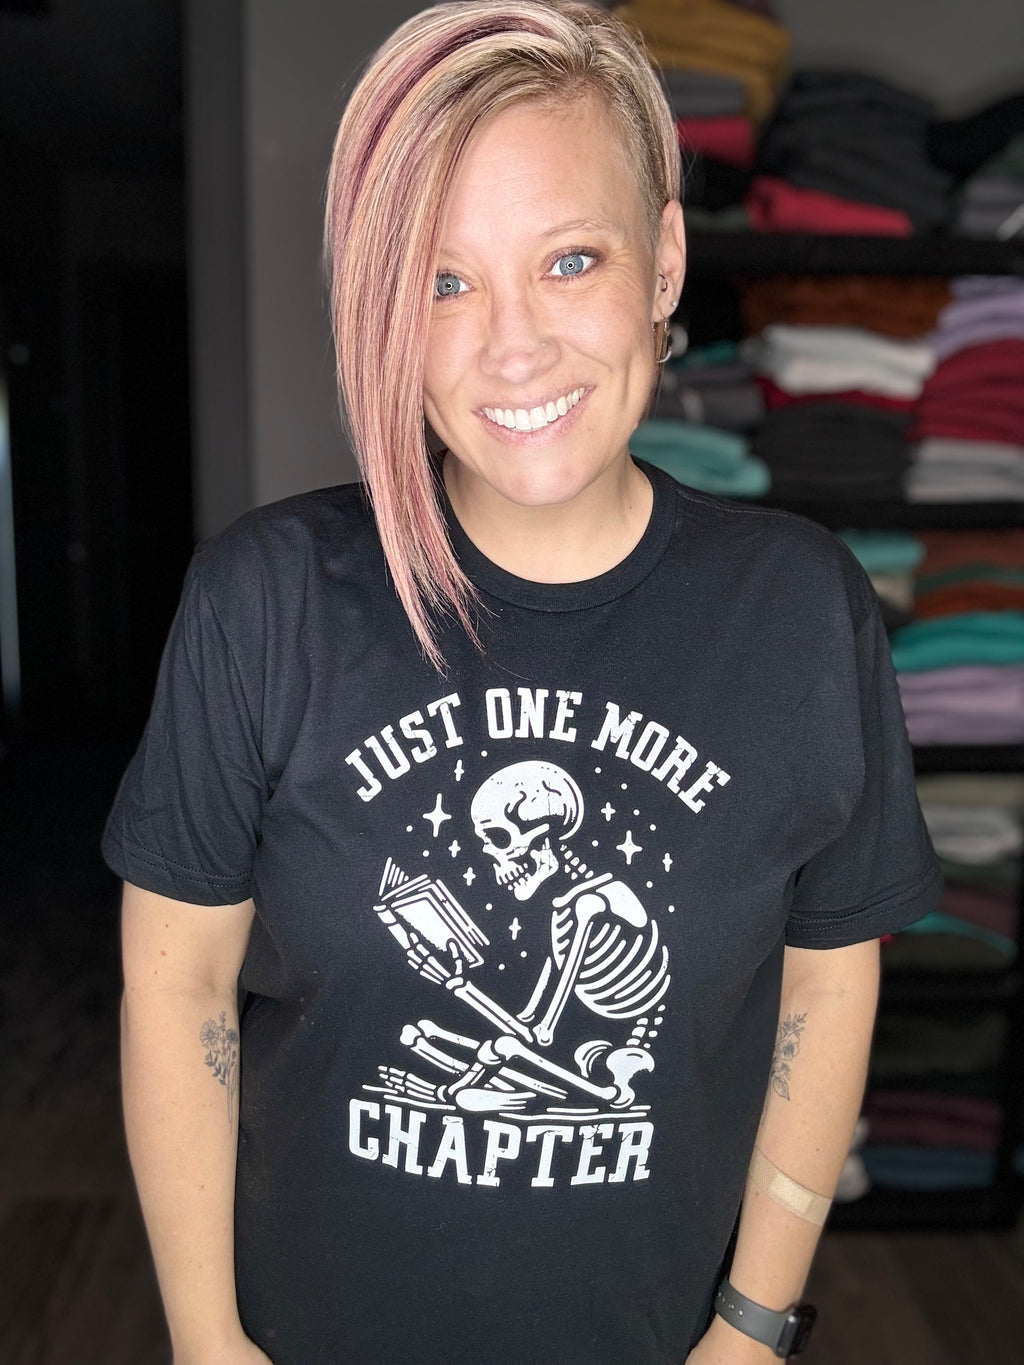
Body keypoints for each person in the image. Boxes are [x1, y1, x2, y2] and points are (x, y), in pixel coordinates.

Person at [104, 3, 941, 1362]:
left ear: (665, 259)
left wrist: (752, 1327)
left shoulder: (798, 611)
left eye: (569, 259)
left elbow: (826, 984)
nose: (513, 346)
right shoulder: (264, 601)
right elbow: (179, 987)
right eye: (444, 282)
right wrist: (209, 1346)